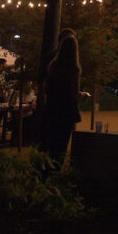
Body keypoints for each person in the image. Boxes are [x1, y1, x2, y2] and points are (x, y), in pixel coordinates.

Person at [41, 33, 86, 162]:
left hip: (52, 107)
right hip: (66, 110)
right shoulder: (74, 68)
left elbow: (46, 86)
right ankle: (56, 167)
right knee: (62, 143)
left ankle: (46, 168)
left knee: (51, 140)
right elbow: (74, 92)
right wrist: (82, 95)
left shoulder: (53, 65)